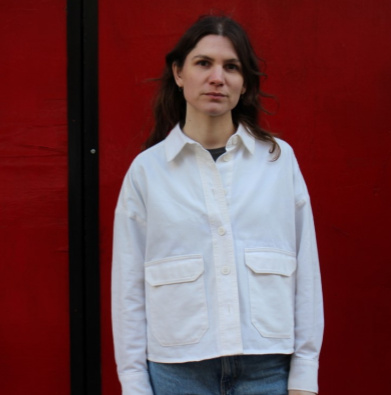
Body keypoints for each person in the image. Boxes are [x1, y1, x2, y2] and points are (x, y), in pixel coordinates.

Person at [111, 15, 324, 395]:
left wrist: (305, 374)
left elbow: (306, 268)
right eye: (203, 63)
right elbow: (128, 286)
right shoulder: (147, 172)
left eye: (231, 67)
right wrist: (134, 383)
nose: (217, 77)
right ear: (178, 73)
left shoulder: (278, 161)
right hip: (177, 373)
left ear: (244, 83)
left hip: (267, 368)